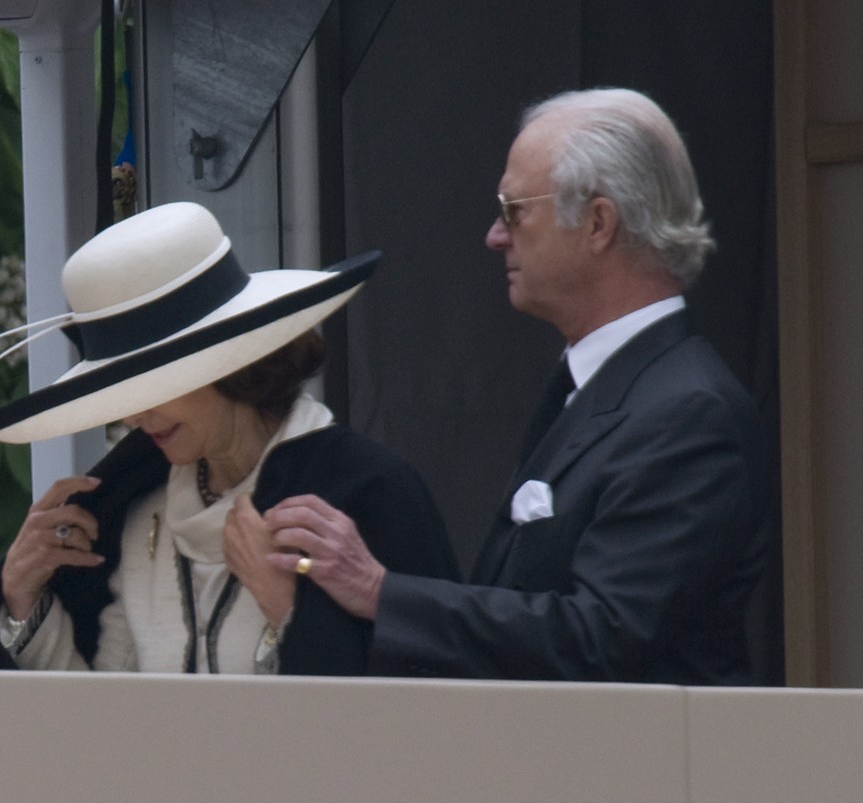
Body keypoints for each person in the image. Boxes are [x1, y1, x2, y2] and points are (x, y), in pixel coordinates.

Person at [227, 88, 771, 684]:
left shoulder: (686, 411)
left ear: (597, 223)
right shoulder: (608, 386)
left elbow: (603, 637)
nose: (495, 235)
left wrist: (379, 589)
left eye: (514, 210)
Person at [0, 202, 459, 675]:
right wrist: (23, 601)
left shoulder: (369, 493)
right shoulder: (141, 513)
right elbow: (105, 715)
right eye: (122, 393)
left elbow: (429, 702)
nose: (135, 415)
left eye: (152, 386)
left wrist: (288, 612)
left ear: (228, 364)